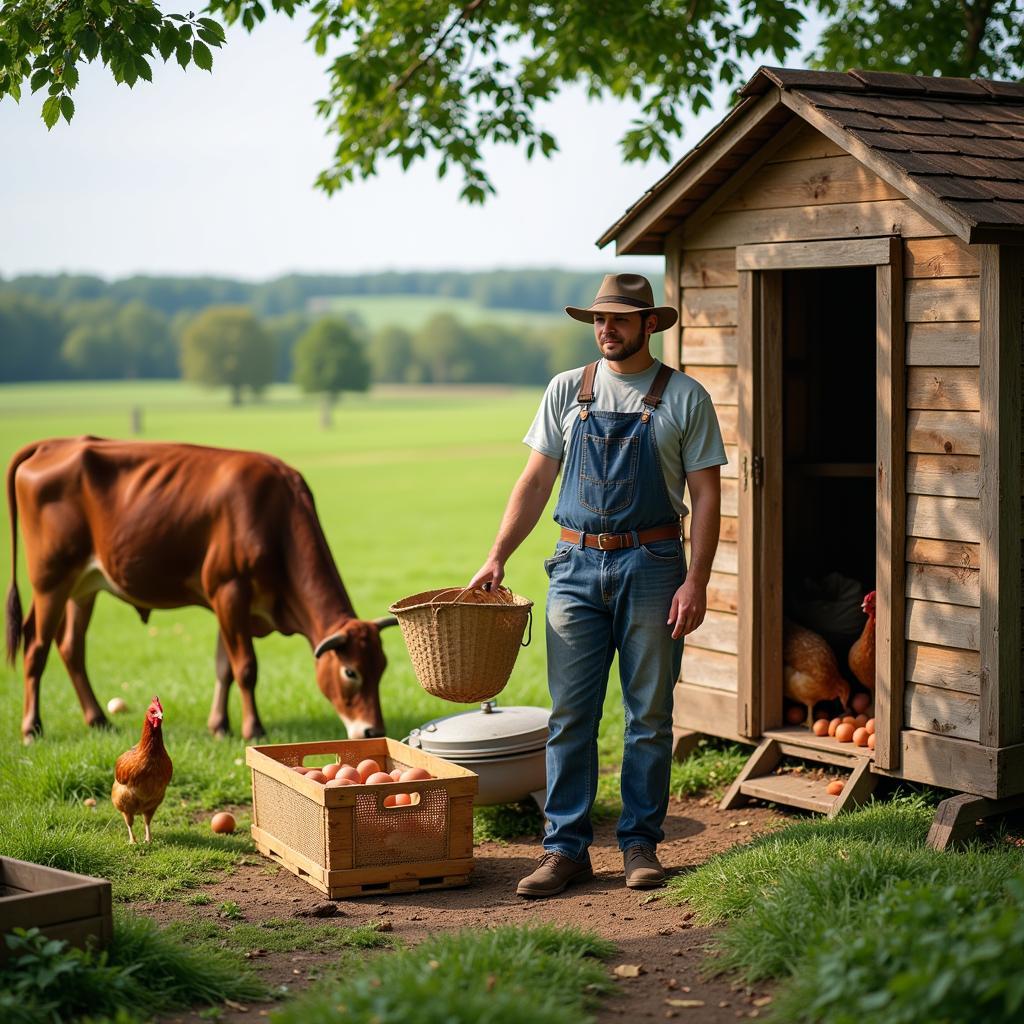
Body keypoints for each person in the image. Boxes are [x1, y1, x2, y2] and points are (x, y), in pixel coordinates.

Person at [469, 272, 727, 898]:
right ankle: (565, 851)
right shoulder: (566, 391)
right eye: (598, 320)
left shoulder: (685, 397)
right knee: (570, 716)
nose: (605, 329)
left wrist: (696, 581)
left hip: (654, 567)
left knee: (649, 716)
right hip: (575, 568)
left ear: (648, 325)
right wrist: (497, 554)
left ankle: (640, 845)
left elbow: (708, 496)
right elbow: (534, 483)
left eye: (618, 319)